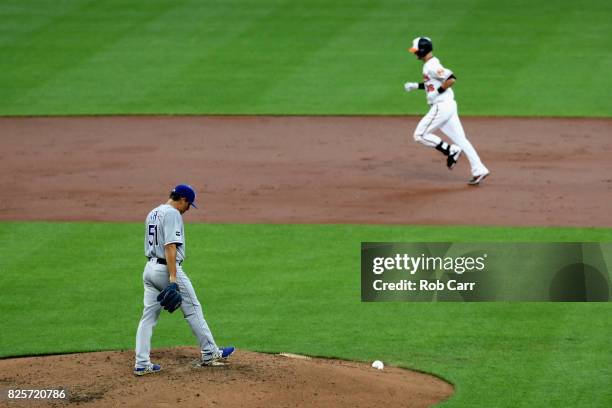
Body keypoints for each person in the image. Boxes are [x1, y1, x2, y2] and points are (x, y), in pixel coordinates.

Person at [134, 184, 234, 376]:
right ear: (183, 199)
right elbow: (170, 246)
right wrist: (173, 279)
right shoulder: (172, 214)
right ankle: (210, 352)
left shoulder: (153, 212)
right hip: (166, 269)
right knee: (193, 309)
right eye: (189, 205)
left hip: (149, 269)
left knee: (148, 317)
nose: (188, 209)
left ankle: (141, 363)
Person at [404, 36, 490, 185]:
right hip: (448, 105)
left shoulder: (432, 65)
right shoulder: (429, 65)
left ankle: (450, 150)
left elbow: (451, 78)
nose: (414, 53)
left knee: (419, 135)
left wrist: (439, 91)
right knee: (461, 140)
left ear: (422, 51)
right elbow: (432, 84)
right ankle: (479, 169)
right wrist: (416, 86)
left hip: (441, 106)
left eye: (416, 51)